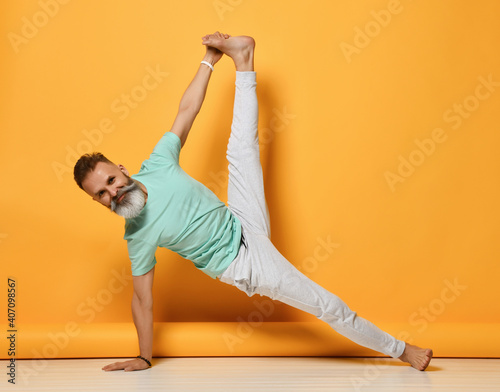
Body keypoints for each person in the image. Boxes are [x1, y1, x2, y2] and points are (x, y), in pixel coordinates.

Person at [74, 32, 433, 372]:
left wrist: (209, 59)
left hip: (240, 216)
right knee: (328, 305)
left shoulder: (157, 164)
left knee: (241, 149)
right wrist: (144, 357)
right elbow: (142, 300)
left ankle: (243, 57)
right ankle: (402, 351)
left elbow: (187, 111)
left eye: (110, 181)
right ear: (97, 202)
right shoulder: (137, 234)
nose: (113, 193)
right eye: (101, 194)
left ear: (121, 170)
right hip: (244, 262)